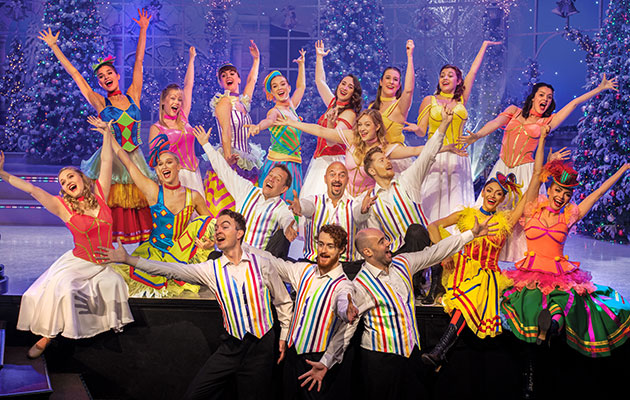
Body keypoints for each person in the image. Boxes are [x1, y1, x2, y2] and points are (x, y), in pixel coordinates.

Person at [95, 209, 293, 400]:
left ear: (239, 233)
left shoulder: (261, 263)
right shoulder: (211, 269)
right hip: (232, 346)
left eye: (225, 226)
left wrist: (284, 335)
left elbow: (282, 300)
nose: (218, 231)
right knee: (195, 394)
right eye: (217, 228)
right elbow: (170, 270)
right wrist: (129, 259)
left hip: (261, 346)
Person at [421, 130, 570, 369]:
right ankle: (439, 352)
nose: (492, 195)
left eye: (498, 194)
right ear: (483, 192)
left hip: (487, 275)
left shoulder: (506, 220)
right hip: (460, 271)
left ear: (502, 199)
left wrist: (542, 173)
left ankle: (439, 352)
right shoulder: (465, 215)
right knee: (467, 294)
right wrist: (444, 253)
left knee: (471, 297)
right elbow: (433, 226)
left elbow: (530, 192)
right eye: (489, 191)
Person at [316, 219, 493, 400]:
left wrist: (470, 234)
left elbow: (435, 252)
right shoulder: (361, 285)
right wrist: (326, 361)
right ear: (368, 252)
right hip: (381, 363)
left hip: (411, 355)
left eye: (386, 239)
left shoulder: (403, 263)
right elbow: (346, 329)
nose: (388, 243)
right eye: (382, 241)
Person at [1, 117, 133, 359]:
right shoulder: (63, 207)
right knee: (65, 288)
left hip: (104, 262)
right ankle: (47, 336)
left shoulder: (101, 194)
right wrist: (2, 173)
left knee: (114, 284)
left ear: (82, 178)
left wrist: (107, 133)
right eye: (62, 182)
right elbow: (32, 189)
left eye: (70, 177)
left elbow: (106, 161)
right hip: (79, 262)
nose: (67, 182)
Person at [459, 75, 618, 261]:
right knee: (489, 210)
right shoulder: (514, 111)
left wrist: (599, 89)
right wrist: (477, 135)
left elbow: (574, 104)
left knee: (521, 220)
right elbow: (494, 123)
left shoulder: (546, 122)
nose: (545, 99)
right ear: (533, 97)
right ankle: (478, 254)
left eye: (549, 97)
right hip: (502, 169)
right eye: (542, 95)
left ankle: (522, 263)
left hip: (526, 172)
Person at [38, 9, 154, 244]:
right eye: (101, 76)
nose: (106, 77)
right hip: (112, 159)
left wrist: (143, 29)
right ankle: (106, 248)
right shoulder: (100, 102)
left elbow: (139, 62)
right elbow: (76, 75)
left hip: (134, 157)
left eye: (109, 73)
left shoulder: (133, 95)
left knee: (141, 204)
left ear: (117, 75)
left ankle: (144, 251)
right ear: (100, 82)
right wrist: (54, 47)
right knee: (110, 205)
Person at [244, 224, 355, 399]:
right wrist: (239, 245)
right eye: (321, 244)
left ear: (341, 249)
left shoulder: (343, 285)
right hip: (292, 354)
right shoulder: (304, 270)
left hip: (316, 359)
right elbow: (272, 262)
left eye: (330, 246)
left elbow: (343, 304)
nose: (323, 250)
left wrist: (346, 312)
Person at [108, 127, 215, 298]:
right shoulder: (152, 191)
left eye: (169, 162)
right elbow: (127, 162)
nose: (164, 166)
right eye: (160, 164)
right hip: (155, 252)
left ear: (178, 167)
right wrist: (108, 134)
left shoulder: (194, 196)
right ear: (157, 171)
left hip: (181, 254)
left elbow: (211, 225)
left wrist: (210, 242)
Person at [405, 40, 502, 223]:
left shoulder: (460, 100)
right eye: (442, 75)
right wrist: (416, 128)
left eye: (450, 75)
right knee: (433, 202)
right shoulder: (429, 100)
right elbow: (422, 131)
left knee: (457, 204)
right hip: (436, 156)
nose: (445, 78)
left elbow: (473, 72)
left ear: (458, 81)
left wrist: (484, 45)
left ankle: (456, 239)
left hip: (458, 157)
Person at [276, 109, 460, 199]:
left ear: (377, 126)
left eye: (367, 125)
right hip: (344, 197)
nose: (362, 129)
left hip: (366, 202)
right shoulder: (351, 137)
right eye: (360, 125)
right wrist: (292, 123)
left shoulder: (385, 149)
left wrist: (446, 147)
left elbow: (416, 150)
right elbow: (321, 131)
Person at [193, 125, 297, 258]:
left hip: (255, 261)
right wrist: (205, 144)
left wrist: (289, 227)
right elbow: (224, 170)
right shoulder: (247, 190)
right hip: (232, 255)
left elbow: (287, 219)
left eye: (277, 179)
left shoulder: (281, 207)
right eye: (270, 175)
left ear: (284, 189)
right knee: (213, 256)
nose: (271, 179)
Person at [205, 41, 265, 217]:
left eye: (232, 73)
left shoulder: (243, 103)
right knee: (229, 210)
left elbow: (252, 80)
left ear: (238, 79)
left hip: (246, 159)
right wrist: (227, 159)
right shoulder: (223, 102)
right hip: (230, 158)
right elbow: (226, 132)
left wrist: (256, 59)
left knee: (247, 209)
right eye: (223, 75)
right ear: (221, 82)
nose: (228, 76)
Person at [299, 40, 362, 200]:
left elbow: (332, 141)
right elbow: (320, 81)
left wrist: (329, 123)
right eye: (343, 83)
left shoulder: (349, 113)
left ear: (353, 93)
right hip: (319, 160)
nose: (344, 87)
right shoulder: (333, 103)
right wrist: (319, 57)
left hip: (333, 163)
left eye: (350, 87)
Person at [287, 162, 369, 277]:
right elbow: (306, 206)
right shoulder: (315, 201)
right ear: (325, 179)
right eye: (332, 174)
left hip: (346, 268)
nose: (337, 179)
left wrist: (363, 210)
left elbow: (359, 212)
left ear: (347, 180)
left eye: (341, 175)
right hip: (315, 265)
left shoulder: (354, 204)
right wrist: (299, 206)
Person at [248, 51, 306, 202]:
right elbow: (269, 121)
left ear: (288, 87)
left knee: (292, 205)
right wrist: (258, 127)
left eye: (282, 84)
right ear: (271, 93)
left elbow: (301, 87)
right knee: (275, 204)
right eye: (275, 86)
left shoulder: (291, 108)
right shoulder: (275, 111)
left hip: (294, 164)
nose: (280, 88)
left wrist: (301, 65)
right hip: (279, 165)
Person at [149, 46, 204, 195]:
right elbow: (154, 161)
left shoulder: (183, 117)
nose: (177, 102)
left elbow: (188, 86)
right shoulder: (157, 128)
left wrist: (191, 59)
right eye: (173, 98)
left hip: (194, 174)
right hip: (175, 178)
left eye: (179, 99)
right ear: (163, 102)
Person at [369, 40, 416, 171]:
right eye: (388, 78)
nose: (391, 82)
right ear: (381, 82)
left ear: (399, 85)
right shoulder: (371, 107)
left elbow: (409, 90)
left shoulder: (399, 106)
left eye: (395, 80)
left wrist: (410, 57)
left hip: (396, 162)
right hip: (375, 161)